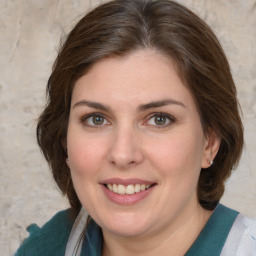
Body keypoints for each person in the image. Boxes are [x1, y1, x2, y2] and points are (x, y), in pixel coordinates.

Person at [15, 0, 256, 255]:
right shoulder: (46, 247)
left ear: (209, 142)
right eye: (97, 119)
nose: (122, 154)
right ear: (64, 139)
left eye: (159, 119)